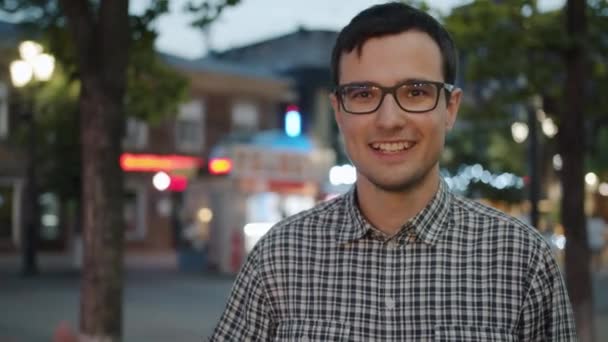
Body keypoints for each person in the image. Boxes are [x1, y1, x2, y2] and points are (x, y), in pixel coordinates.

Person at [210, 2, 577, 340]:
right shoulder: (280, 256)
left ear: (450, 108)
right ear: (338, 111)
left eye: (415, 92)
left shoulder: (521, 260)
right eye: (363, 94)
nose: (388, 120)